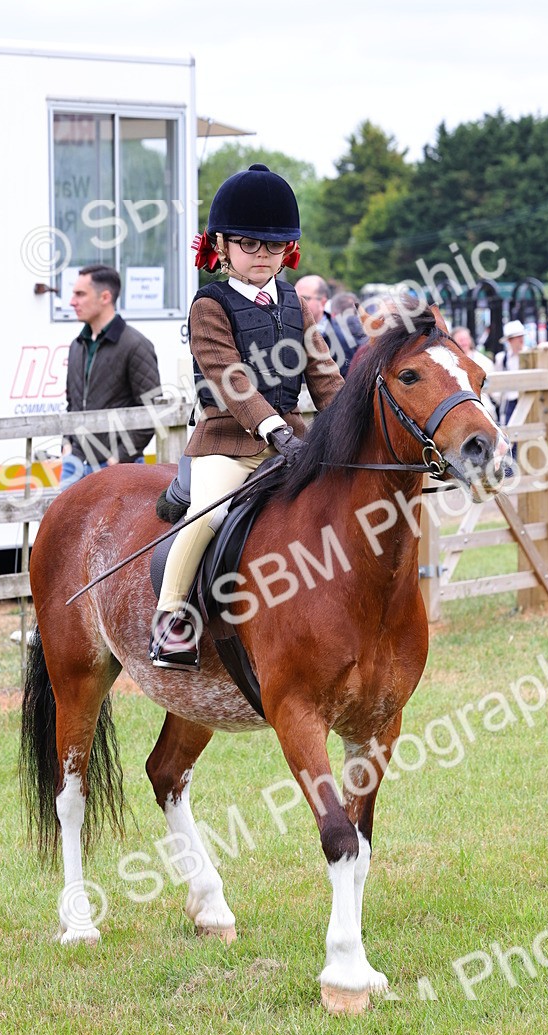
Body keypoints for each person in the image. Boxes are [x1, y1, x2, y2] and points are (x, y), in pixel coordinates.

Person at [149, 164, 344, 670]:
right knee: (209, 514)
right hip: (226, 444)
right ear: (223, 245)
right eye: (249, 244)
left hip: (290, 440)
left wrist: (349, 419)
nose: (262, 256)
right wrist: (273, 428)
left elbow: (322, 371)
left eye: (272, 247)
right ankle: (172, 619)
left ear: (288, 250)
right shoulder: (209, 305)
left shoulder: (293, 302)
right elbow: (229, 377)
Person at [60, 264, 160, 489]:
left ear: (105, 297)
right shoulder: (77, 346)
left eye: (80, 294)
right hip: (74, 464)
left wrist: (116, 460)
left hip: (117, 468)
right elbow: (72, 405)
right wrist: (67, 446)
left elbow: (151, 413)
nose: (72, 302)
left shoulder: (136, 345)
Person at [295, 275, 365, 377]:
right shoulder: (287, 329)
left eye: (304, 298)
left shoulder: (341, 337)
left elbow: (347, 381)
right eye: (293, 297)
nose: (296, 303)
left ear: (323, 302)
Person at [491, 319, 525, 425]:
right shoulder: (502, 358)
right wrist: (497, 398)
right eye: (517, 337)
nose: (521, 339)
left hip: (525, 398)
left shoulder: (530, 354)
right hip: (509, 401)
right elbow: (497, 379)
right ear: (510, 340)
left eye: (521, 336)